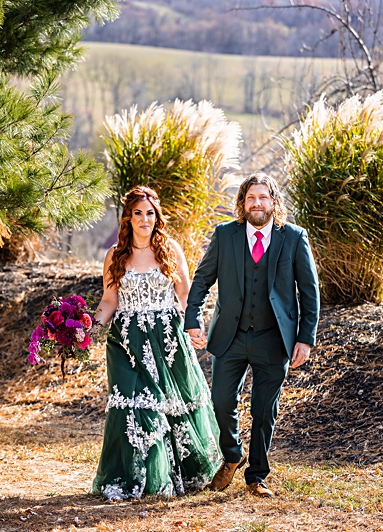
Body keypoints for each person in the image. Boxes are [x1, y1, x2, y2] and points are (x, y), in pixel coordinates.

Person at [184, 173, 319, 496]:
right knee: (221, 401)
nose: (257, 203)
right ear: (242, 204)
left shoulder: (294, 237)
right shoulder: (224, 235)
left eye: (263, 197)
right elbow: (202, 281)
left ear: (274, 202)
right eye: (251, 198)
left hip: (275, 339)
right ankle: (232, 455)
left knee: (263, 410)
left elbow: (310, 292)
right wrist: (193, 320)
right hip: (230, 335)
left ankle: (256, 475)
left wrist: (305, 338)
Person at [91, 186, 222, 501]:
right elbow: (109, 300)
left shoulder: (170, 250)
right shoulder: (115, 255)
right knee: (131, 406)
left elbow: (186, 295)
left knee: (170, 407)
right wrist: (88, 327)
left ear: (156, 216)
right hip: (125, 340)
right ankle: (131, 478)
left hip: (166, 339)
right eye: (137, 213)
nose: (144, 219)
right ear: (128, 217)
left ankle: (167, 476)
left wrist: (195, 326)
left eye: (149, 213)